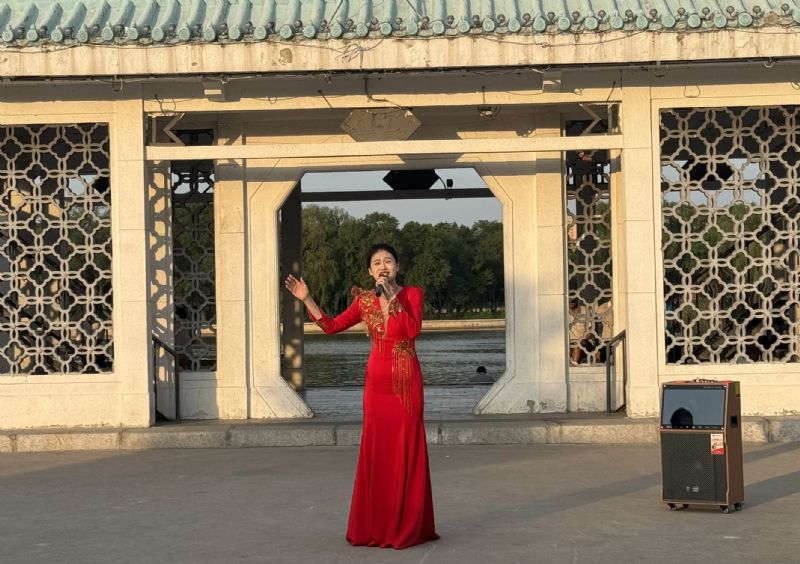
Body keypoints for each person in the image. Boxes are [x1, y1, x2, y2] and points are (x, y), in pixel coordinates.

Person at [284, 243, 439, 549]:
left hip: (406, 386)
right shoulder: (365, 301)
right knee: (377, 451)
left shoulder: (412, 295)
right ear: (370, 271)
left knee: (406, 448)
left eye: (388, 261)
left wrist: (391, 298)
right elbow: (331, 327)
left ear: (397, 267)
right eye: (377, 263)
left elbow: (412, 331)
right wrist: (307, 299)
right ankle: (376, 526)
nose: (383, 266)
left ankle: (407, 525)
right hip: (376, 388)